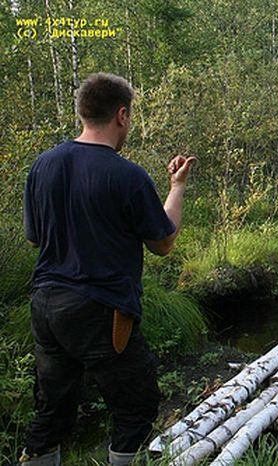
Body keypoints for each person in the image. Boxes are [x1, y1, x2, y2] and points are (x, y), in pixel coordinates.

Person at [20, 72, 197, 466]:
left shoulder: (43, 165)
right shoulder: (126, 175)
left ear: (83, 112)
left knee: (52, 409)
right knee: (136, 404)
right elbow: (163, 243)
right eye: (130, 116)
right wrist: (177, 187)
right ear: (121, 115)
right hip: (101, 309)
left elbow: (36, 239)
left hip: (45, 305)